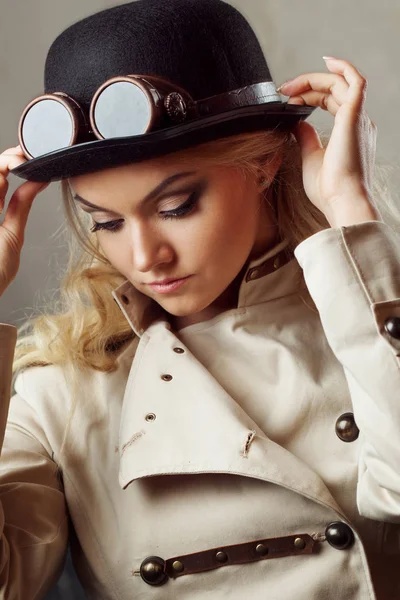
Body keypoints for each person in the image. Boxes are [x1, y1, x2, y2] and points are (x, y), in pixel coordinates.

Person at [1, 0, 400, 598]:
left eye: (175, 207)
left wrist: (349, 215)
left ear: (266, 162)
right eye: (105, 222)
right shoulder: (57, 391)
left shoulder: (367, 318)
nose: (145, 257)